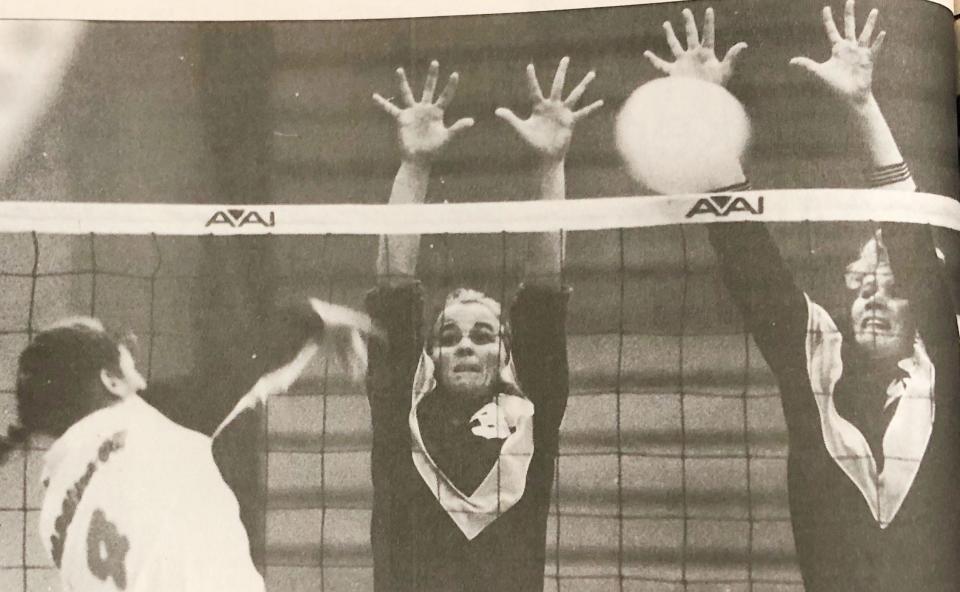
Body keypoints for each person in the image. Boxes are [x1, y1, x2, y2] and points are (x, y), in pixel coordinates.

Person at [645, 3, 959, 590]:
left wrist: (864, 105)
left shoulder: (945, 361)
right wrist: (704, 116)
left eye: (892, 291)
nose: (873, 298)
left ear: (920, 310)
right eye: (864, 285)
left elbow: (915, 250)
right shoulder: (816, 362)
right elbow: (752, 267)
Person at [366, 58, 601, 591]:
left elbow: (544, 289)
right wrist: (414, 167)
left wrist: (551, 166)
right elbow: (393, 287)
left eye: (482, 334)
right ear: (429, 356)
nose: (465, 346)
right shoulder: (402, 408)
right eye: (448, 337)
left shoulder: (531, 408)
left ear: (505, 352)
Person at [0, 298, 376, 592]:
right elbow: (252, 360)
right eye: (119, 348)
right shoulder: (146, 417)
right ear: (112, 381)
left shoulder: (52, 514)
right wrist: (323, 317)